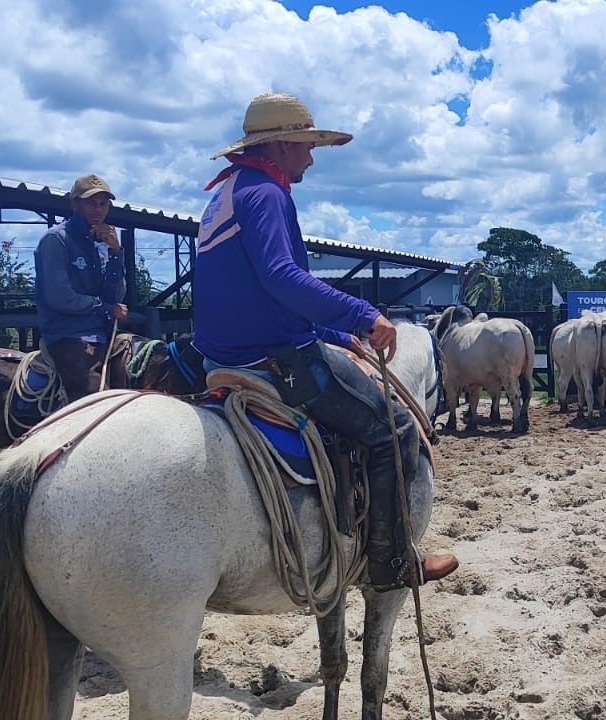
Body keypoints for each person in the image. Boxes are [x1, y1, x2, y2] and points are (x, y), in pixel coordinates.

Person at [193, 92, 458, 591]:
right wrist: (363, 315)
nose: (312, 157)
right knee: (395, 430)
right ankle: (392, 561)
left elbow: (266, 296)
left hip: (222, 355)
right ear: (281, 146)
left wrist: (341, 334)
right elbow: (282, 278)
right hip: (275, 359)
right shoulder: (267, 194)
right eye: (306, 145)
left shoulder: (228, 193)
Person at [35, 173, 130, 402]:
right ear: (74, 204)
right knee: (93, 395)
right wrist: (106, 308)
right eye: (91, 203)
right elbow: (61, 298)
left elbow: (116, 294)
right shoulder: (56, 240)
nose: (98, 210)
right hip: (67, 334)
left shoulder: (102, 242)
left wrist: (117, 254)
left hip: (103, 333)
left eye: (103, 204)